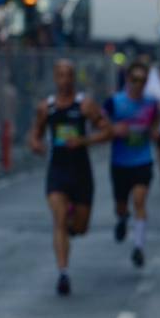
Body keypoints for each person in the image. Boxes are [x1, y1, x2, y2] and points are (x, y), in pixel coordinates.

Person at [28, 59, 110, 296]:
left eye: (69, 75)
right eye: (61, 75)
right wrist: (36, 145)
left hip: (81, 171)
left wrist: (84, 141)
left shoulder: (84, 105)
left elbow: (107, 130)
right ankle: (63, 273)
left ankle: (71, 227)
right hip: (58, 170)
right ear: (55, 78)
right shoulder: (47, 107)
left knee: (81, 227)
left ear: (74, 78)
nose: (65, 80)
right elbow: (35, 134)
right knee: (59, 219)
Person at [103, 61, 160, 268]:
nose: (138, 84)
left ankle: (138, 247)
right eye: (134, 80)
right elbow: (101, 124)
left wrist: (154, 133)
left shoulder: (151, 103)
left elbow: (156, 125)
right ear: (127, 80)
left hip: (142, 160)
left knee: (139, 200)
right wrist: (113, 129)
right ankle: (122, 218)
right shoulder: (115, 102)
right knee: (121, 205)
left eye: (143, 81)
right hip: (120, 162)